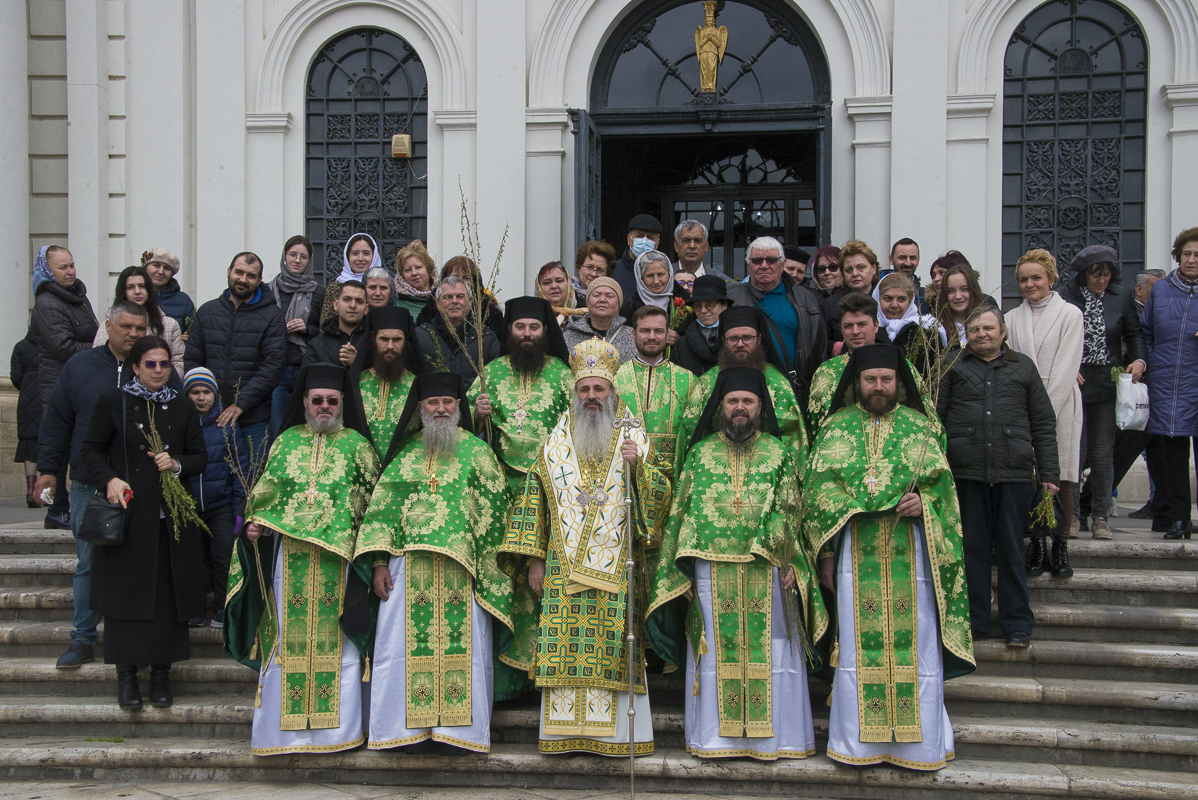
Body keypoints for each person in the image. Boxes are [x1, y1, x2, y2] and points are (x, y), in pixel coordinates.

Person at [802, 344, 974, 770]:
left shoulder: (920, 429)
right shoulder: (836, 429)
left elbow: (945, 493)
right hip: (852, 554)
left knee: (915, 645)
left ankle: (919, 745)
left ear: (899, 382)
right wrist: (825, 554)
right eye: (870, 379)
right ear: (856, 384)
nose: (878, 386)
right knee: (858, 648)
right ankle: (857, 744)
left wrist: (925, 505)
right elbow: (816, 493)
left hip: (911, 554)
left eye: (886, 379)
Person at [498, 338, 671, 757]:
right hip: (559, 568)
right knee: (563, 646)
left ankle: (614, 738)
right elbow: (533, 501)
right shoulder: (555, 441)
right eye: (585, 390)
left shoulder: (634, 436)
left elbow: (663, 497)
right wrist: (535, 559)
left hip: (617, 568)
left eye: (600, 390)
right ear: (574, 393)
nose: (592, 398)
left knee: (613, 647)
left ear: (613, 392)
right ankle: (562, 735)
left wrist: (640, 468)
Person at [647, 366, 824, 760]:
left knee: (774, 652)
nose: (739, 408)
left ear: (761, 406)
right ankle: (715, 739)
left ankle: (778, 740)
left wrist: (788, 558)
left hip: (768, 570)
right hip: (711, 571)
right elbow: (682, 514)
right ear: (721, 406)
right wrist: (684, 570)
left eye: (748, 401)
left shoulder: (778, 453)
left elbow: (791, 511)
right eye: (732, 401)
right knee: (714, 655)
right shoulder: (700, 453)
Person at [224, 363, 381, 755]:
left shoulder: (358, 446)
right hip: (289, 562)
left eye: (332, 400)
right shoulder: (285, 442)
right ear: (305, 404)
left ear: (343, 403)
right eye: (317, 400)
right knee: (287, 642)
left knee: (339, 645)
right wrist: (255, 526)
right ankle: (284, 735)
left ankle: (337, 734)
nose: (325, 406)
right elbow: (264, 497)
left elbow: (371, 507)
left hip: (339, 565)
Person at [355, 372, 514, 753]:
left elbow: (497, 515)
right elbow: (382, 513)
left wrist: (490, 571)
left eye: (448, 402)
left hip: (464, 572)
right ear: (421, 409)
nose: (441, 408)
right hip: (406, 571)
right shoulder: (404, 455)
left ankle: (460, 735)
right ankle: (402, 732)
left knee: (466, 652)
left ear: (460, 407)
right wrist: (378, 562)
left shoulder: (479, 452)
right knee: (401, 649)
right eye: (433, 403)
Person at [79, 335, 208, 710]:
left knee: (167, 600)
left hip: (170, 520)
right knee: (127, 598)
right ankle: (127, 677)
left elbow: (199, 457)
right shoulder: (113, 402)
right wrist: (110, 479)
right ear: (135, 367)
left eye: (164, 364)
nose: (157, 371)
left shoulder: (182, 407)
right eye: (149, 364)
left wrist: (177, 463)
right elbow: (89, 450)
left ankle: (161, 675)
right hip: (130, 517)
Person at [35, 303, 157, 669]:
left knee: (139, 563)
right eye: (126, 326)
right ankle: (83, 637)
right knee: (89, 563)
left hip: (142, 486)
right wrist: (48, 469)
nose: (133, 334)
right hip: (90, 484)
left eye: (140, 327)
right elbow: (58, 420)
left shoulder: (155, 368)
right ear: (108, 326)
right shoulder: (81, 367)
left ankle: (135, 637)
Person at [938, 307, 1059, 648]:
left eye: (989, 328)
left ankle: (1017, 623)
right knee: (971, 548)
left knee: (1011, 550)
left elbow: (1044, 423)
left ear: (1003, 331)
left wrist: (1049, 473)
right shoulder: (953, 367)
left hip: (1014, 472)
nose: (982, 334)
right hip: (966, 471)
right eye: (974, 329)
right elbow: (935, 419)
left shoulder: (1023, 368)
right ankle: (975, 621)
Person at [1057, 245, 1147, 540]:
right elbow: (1057, 337)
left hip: (1107, 384)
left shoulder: (1120, 297)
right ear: (1084, 275)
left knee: (1102, 453)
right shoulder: (1065, 297)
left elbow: (1134, 334)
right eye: (1096, 275)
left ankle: (1100, 517)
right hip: (1075, 383)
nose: (1101, 280)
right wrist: (1067, 366)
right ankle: (1071, 516)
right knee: (1074, 451)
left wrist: (1138, 360)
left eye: (1106, 274)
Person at [1006, 249, 1083, 574]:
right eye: (1023, 279)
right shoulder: (1010, 319)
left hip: (1060, 401)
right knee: (1032, 479)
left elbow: (1068, 365)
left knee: (1061, 476)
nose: (1029, 284)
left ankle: (1061, 546)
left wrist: (1043, 413)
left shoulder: (1070, 315)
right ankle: (1037, 544)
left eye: (1036, 277)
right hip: (1020, 406)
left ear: (1051, 278)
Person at [468, 297, 574, 497]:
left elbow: (578, 421)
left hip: (550, 475)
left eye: (534, 327)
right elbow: (463, 421)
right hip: (500, 476)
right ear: (509, 329)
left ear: (545, 330)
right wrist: (477, 415)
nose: (527, 333)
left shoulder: (562, 373)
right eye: (520, 327)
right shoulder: (491, 372)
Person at [677, 306, 807, 467]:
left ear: (759, 339)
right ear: (724, 341)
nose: (740, 344)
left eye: (747, 338)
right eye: (733, 339)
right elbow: (690, 430)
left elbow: (793, 436)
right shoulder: (707, 382)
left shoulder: (778, 382)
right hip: (716, 466)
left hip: (767, 468)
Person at [184, 252, 286, 453]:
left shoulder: (272, 316)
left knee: (251, 480)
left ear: (259, 280)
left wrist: (240, 404)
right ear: (229, 272)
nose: (243, 280)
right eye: (239, 272)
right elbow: (193, 361)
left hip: (253, 418)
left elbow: (272, 367)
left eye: (250, 276)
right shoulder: (207, 312)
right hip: (209, 415)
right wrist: (202, 399)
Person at [31, 245, 98, 529]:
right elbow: (63, 346)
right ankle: (55, 509)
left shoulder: (77, 297)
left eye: (71, 265)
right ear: (48, 272)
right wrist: (100, 348)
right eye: (62, 267)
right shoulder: (47, 303)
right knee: (57, 446)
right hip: (58, 382)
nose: (70, 271)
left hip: (79, 379)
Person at [1142, 228, 1198, 540]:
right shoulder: (1161, 290)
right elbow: (1146, 330)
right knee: (1173, 455)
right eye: (1187, 253)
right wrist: (1152, 362)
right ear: (1178, 255)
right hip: (1167, 382)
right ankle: (1179, 519)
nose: (1192, 260)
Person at [183, 367, 249, 629]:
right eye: (195, 392)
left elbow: (240, 468)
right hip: (188, 505)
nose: (201, 398)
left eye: (207, 392)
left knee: (223, 555)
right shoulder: (180, 424)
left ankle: (223, 608)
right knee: (193, 560)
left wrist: (237, 509)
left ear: (215, 394)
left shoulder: (227, 426)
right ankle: (194, 610)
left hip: (220, 504)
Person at [727, 236, 826, 391]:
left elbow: (819, 348)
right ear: (748, 265)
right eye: (757, 260)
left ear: (782, 264)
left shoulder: (806, 298)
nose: (764, 265)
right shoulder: (730, 297)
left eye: (771, 260)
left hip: (793, 388)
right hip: (743, 387)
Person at [615, 306, 695, 481]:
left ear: (667, 334)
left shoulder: (688, 380)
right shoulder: (614, 379)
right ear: (634, 334)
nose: (652, 336)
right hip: (623, 472)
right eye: (645, 331)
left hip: (672, 474)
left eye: (658, 331)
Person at [1113, 268, 1167, 521]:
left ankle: (1158, 502)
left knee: (1157, 449)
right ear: (1138, 289)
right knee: (1121, 446)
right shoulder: (1130, 311)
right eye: (1156, 287)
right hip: (1130, 390)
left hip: (1154, 389)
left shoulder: (1159, 311)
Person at [808, 292, 892, 432]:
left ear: (876, 326)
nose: (855, 331)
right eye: (848, 326)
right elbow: (817, 426)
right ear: (841, 328)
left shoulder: (896, 366)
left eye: (862, 324)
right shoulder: (827, 372)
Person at [268, 235, 325, 441]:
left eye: (303, 256)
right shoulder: (268, 291)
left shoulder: (318, 293)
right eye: (292, 254)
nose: (297, 260)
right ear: (285, 257)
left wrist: (307, 329)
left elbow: (325, 331)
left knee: (307, 428)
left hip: (305, 366)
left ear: (310, 261)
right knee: (277, 428)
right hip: (276, 368)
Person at [350, 306, 423, 460]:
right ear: (373, 340)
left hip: (403, 470)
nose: (390, 346)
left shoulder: (417, 385)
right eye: (384, 339)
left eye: (397, 340)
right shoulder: (357, 383)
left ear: (406, 341)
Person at [93, 266, 185, 376]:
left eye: (142, 286)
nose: (137, 292)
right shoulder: (108, 325)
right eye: (130, 287)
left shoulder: (169, 325)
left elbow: (177, 364)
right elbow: (100, 359)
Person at [416, 276, 500, 388]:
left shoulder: (486, 338)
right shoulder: (420, 336)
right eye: (447, 297)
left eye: (460, 296)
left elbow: (494, 380)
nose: (454, 301)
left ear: (470, 302)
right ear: (437, 303)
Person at [873, 272, 947, 380]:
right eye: (888, 298)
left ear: (911, 300)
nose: (894, 305)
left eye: (901, 299)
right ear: (878, 299)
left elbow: (938, 377)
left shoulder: (927, 331)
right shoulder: (866, 330)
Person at [623, 249, 691, 348]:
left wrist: (679, 339)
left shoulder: (685, 301)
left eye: (661, 274)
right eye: (650, 276)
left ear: (670, 274)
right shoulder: (631, 308)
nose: (656, 281)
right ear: (641, 278)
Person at [562, 276, 636, 362]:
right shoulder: (569, 336)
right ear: (588, 302)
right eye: (596, 295)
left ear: (619, 304)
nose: (602, 300)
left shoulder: (632, 336)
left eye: (609, 296)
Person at [821, 240, 881, 345]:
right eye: (848, 270)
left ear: (874, 269)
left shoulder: (887, 300)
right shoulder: (829, 306)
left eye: (861, 267)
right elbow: (823, 343)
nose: (854, 274)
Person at [302, 280, 368, 368]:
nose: (353, 305)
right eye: (346, 300)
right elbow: (310, 379)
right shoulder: (316, 345)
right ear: (336, 304)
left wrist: (357, 364)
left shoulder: (375, 343)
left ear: (366, 309)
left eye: (359, 301)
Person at [671, 275, 729, 377]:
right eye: (698, 305)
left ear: (724, 305)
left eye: (710, 304)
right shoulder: (682, 344)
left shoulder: (736, 339)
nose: (703, 310)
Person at [440, 255, 506, 343]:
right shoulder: (433, 310)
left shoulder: (489, 313)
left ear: (475, 281)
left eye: (466, 278)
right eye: (455, 277)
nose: (461, 281)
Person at [10, 326, 42, 507]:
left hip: (26, 401)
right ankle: (43, 493)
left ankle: (30, 490)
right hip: (48, 396)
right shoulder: (50, 347)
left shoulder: (20, 346)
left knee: (29, 446)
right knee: (47, 443)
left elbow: (15, 377)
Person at [321, 233, 381, 322]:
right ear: (347, 256)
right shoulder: (336, 287)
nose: (360, 258)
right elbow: (325, 324)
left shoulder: (381, 286)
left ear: (374, 256)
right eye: (355, 253)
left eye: (366, 253)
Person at [933, 265, 986, 349]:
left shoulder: (987, 323)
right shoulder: (936, 329)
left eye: (964, 289)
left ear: (973, 290)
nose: (958, 296)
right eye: (951, 291)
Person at [141, 248, 195, 332]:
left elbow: (192, 331)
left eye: (167, 268)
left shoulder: (183, 300)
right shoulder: (136, 295)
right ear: (145, 268)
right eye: (156, 265)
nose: (161, 271)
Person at [612, 213, 662, 301]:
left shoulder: (664, 273)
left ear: (657, 243)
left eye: (650, 237)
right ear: (629, 239)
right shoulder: (613, 270)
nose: (644, 241)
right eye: (639, 236)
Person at [393, 239, 438, 321]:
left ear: (428, 270)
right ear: (402, 276)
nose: (414, 273)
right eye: (408, 270)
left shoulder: (442, 298)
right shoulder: (396, 304)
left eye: (418, 267)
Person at [534, 261, 584, 330]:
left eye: (559, 281)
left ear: (569, 284)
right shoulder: (531, 319)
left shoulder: (585, 315)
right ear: (539, 289)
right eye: (547, 282)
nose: (554, 286)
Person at [573, 240, 617, 304]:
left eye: (600, 270)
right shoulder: (565, 296)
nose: (594, 274)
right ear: (579, 268)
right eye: (589, 267)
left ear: (607, 274)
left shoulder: (616, 299)